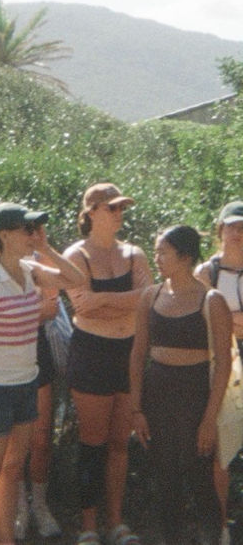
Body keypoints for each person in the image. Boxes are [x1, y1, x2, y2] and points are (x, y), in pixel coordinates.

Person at [0, 201, 86, 545]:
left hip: (25, 386)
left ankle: (7, 540)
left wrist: (46, 247)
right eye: (27, 230)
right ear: (4, 235)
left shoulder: (30, 270)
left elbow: (78, 279)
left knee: (11, 470)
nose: (32, 235)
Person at [63, 182, 152, 545]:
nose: (119, 214)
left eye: (121, 208)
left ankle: (115, 522)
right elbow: (82, 305)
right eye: (111, 208)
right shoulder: (75, 256)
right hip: (91, 353)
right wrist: (121, 300)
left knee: (120, 443)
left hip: (128, 353)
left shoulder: (135, 254)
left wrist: (104, 300)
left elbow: (147, 298)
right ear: (91, 213)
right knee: (92, 443)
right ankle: (88, 525)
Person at [131, 225, 232, 545]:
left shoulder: (211, 300)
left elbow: (224, 364)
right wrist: (136, 408)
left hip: (195, 395)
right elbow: (137, 355)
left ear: (185, 257)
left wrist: (208, 420)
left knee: (200, 475)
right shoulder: (151, 296)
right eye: (156, 251)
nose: (157, 258)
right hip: (158, 392)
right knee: (164, 477)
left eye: (163, 252)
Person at [195, 201, 243, 545]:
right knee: (219, 448)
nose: (238, 233)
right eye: (233, 226)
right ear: (220, 228)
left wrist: (228, 319)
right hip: (220, 364)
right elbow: (202, 323)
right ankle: (220, 527)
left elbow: (221, 319)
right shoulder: (205, 273)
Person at [14, 289, 62, 539]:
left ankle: (40, 506)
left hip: (37, 352)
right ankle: (19, 508)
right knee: (13, 443)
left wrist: (13, 314)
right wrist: (33, 312)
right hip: (3, 357)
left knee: (41, 440)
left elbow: (51, 308)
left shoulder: (38, 260)